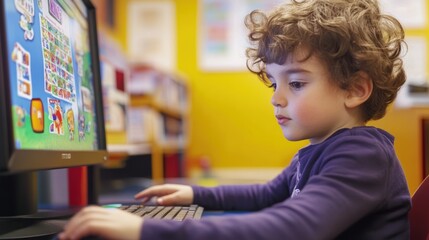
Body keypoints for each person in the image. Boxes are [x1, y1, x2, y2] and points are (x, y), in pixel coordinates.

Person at [59, 0, 411, 239]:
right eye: (275, 83)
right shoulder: (323, 148)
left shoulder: (362, 155)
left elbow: (294, 227)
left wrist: (146, 231)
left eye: (297, 83)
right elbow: (266, 195)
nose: (277, 97)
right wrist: (195, 194)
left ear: (355, 89)